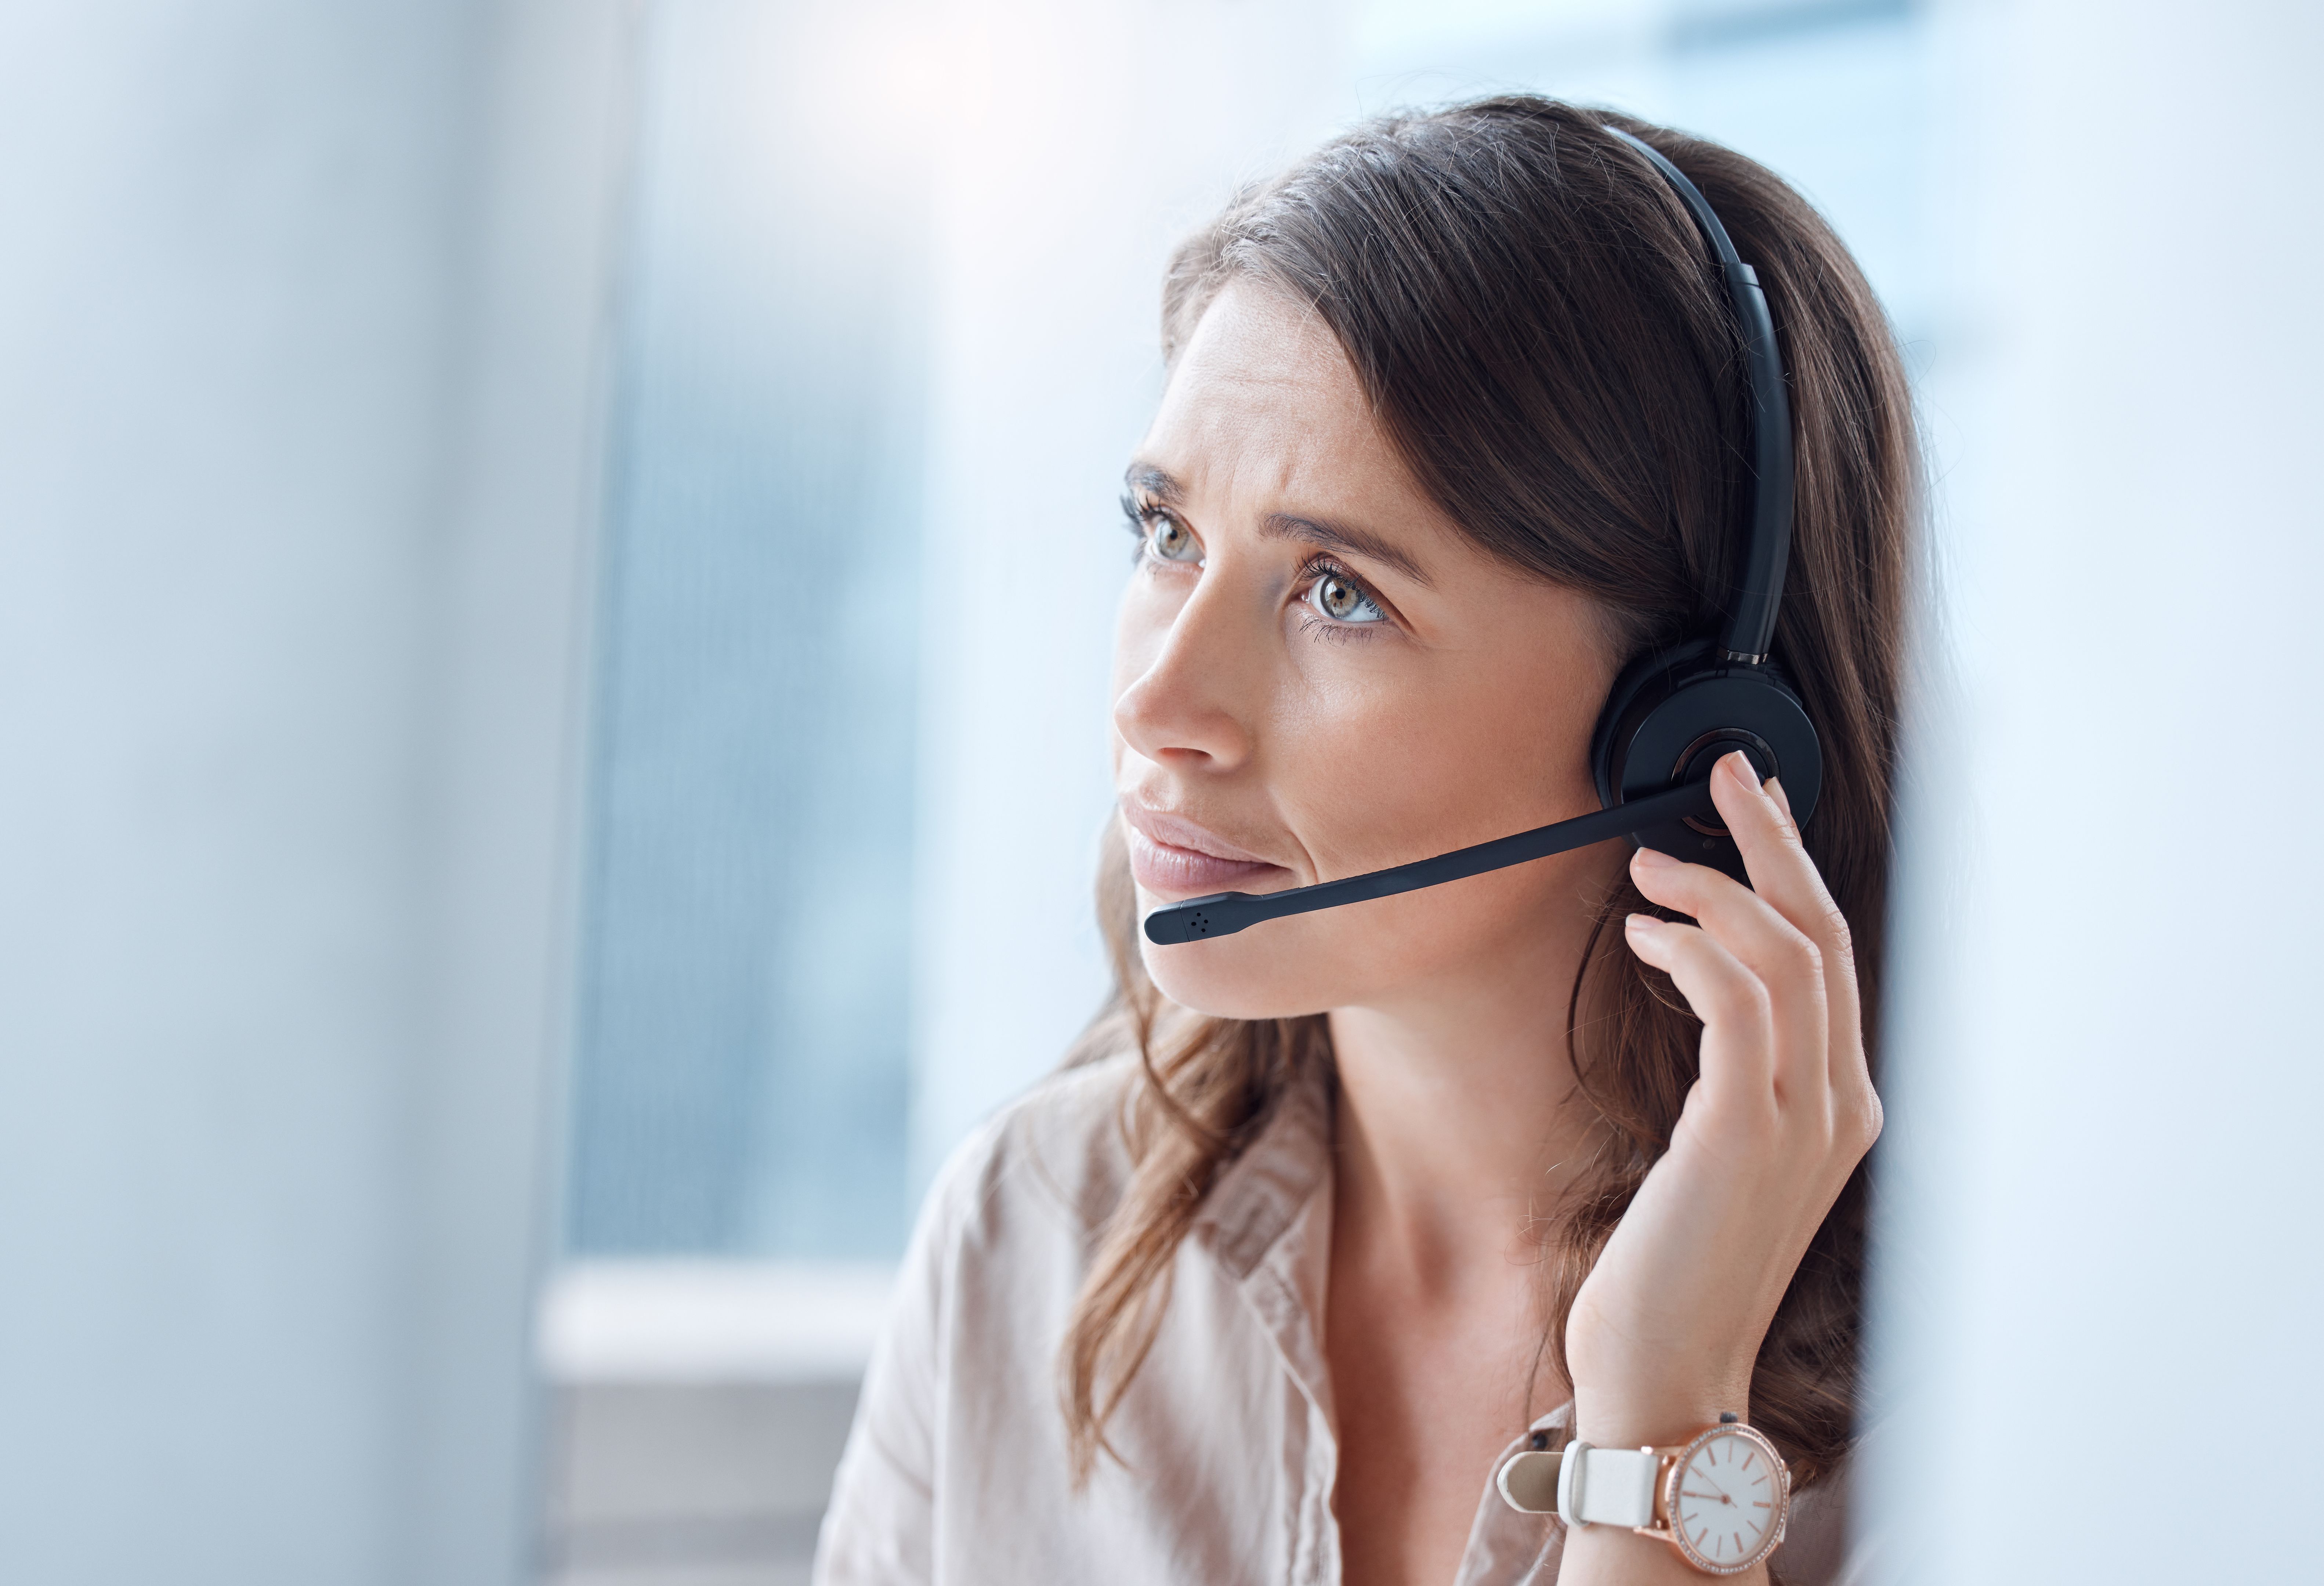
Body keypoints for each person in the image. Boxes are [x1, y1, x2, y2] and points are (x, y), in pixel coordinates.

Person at [815, 95, 1911, 1586]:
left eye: (1337, 591)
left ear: (1688, 732)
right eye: (1164, 535)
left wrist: (1661, 1423)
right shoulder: (1031, 1234)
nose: (1157, 703)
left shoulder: (1965, 1398)